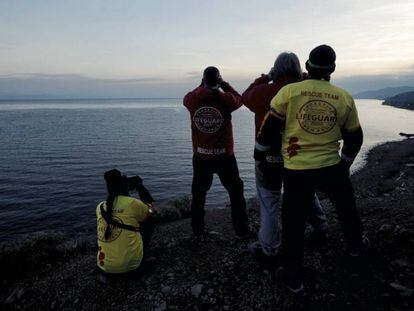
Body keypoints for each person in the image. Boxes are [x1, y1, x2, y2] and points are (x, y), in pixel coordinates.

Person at [255, 45, 368, 293]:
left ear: (307, 66)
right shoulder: (344, 98)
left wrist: (258, 154)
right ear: (333, 69)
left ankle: (294, 275)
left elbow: (269, 129)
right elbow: (355, 137)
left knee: (293, 222)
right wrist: (345, 164)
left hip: (296, 170)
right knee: (346, 208)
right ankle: (356, 247)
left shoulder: (289, 93)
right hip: (331, 166)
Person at [242, 52, 327, 260]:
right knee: (305, 191)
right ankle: (320, 224)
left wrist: (266, 77)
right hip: (300, 156)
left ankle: (270, 248)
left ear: (276, 70)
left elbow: (245, 97)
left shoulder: (265, 91)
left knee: (270, 200)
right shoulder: (306, 91)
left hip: (268, 156)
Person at [183, 66, 249, 238]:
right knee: (236, 193)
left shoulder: (193, 100)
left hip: (200, 156)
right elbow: (240, 99)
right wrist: (224, 85)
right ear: (218, 80)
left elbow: (186, 98)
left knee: (198, 195)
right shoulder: (226, 99)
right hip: (224, 156)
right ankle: (241, 231)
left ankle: (198, 231)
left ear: (203, 80)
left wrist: (202, 86)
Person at [96, 169, 157, 275]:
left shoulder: (100, 207)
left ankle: (112, 259)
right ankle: (141, 256)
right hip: (131, 267)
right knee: (150, 219)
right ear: (123, 185)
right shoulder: (132, 203)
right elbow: (152, 210)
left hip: (104, 266)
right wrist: (140, 187)